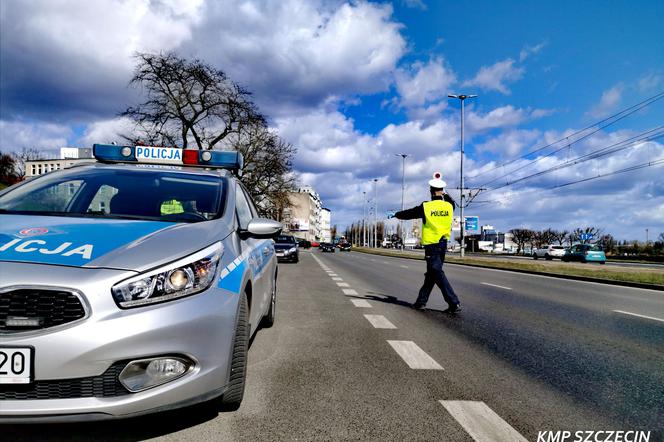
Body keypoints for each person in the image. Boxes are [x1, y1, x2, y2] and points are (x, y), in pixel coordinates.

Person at [390, 172, 461, 313]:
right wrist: (444, 193)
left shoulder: (426, 207)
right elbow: (450, 200)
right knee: (432, 274)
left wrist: (397, 214)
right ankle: (420, 302)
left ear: (430, 191)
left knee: (436, 272)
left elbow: (409, 213)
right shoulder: (450, 206)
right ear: (442, 192)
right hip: (443, 244)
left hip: (432, 246)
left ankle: (454, 302)